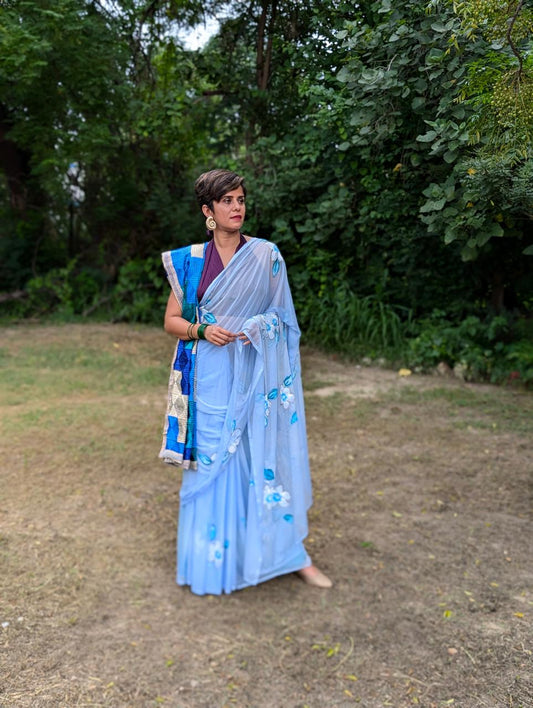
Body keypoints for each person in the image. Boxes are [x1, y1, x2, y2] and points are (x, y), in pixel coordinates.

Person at [159, 168, 332, 595]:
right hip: (210, 378)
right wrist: (202, 331)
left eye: (240, 200)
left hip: (256, 372)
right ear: (208, 211)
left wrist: (259, 327)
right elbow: (171, 321)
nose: (237, 208)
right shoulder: (191, 261)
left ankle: (289, 555)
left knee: (260, 459)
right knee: (214, 464)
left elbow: (285, 321)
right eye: (227, 201)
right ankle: (216, 562)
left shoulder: (266, 256)